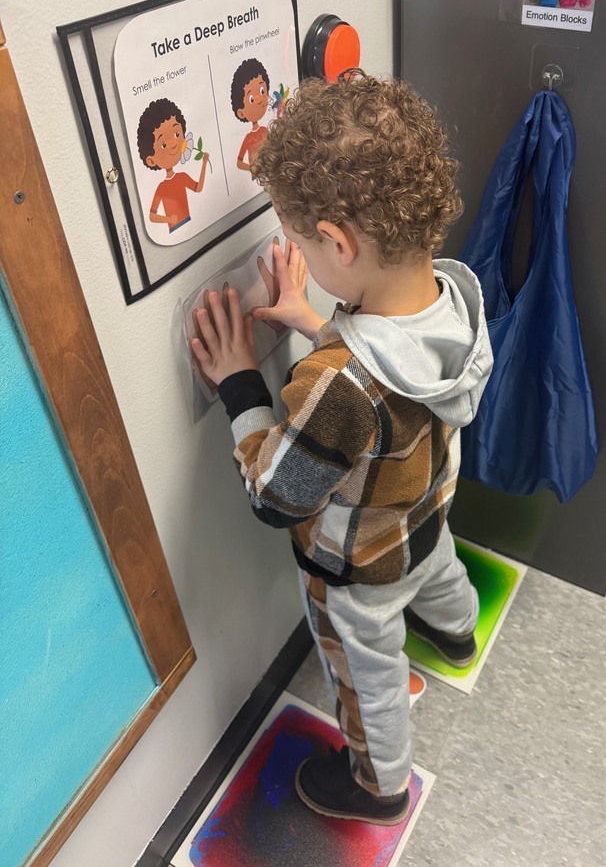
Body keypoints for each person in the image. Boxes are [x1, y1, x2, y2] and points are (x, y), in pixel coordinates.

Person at [190, 71, 493, 826]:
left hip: (356, 568)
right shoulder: (454, 294)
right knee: (439, 570)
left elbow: (277, 495)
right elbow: (387, 371)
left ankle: (378, 786)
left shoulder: (338, 383)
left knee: (368, 674)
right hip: (425, 513)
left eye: (301, 243)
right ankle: (457, 635)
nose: (298, 255)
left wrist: (238, 384)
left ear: (335, 241)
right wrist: (312, 315)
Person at [137, 98, 209, 232]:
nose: (173, 143)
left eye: (177, 134)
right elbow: (152, 216)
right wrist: (168, 220)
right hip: (175, 228)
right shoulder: (162, 188)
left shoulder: (182, 177)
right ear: (152, 160)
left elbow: (198, 188)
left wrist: (204, 163)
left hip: (190, 223)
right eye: (163, 144)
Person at [231, 57, 270, 177]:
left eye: (262, 91)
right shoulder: (248, 138)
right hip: (258, 177)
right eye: (251, 98)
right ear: (241, 113)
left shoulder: (265, 130)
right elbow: (239, 162)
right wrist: (253, 168)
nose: (259, 99)